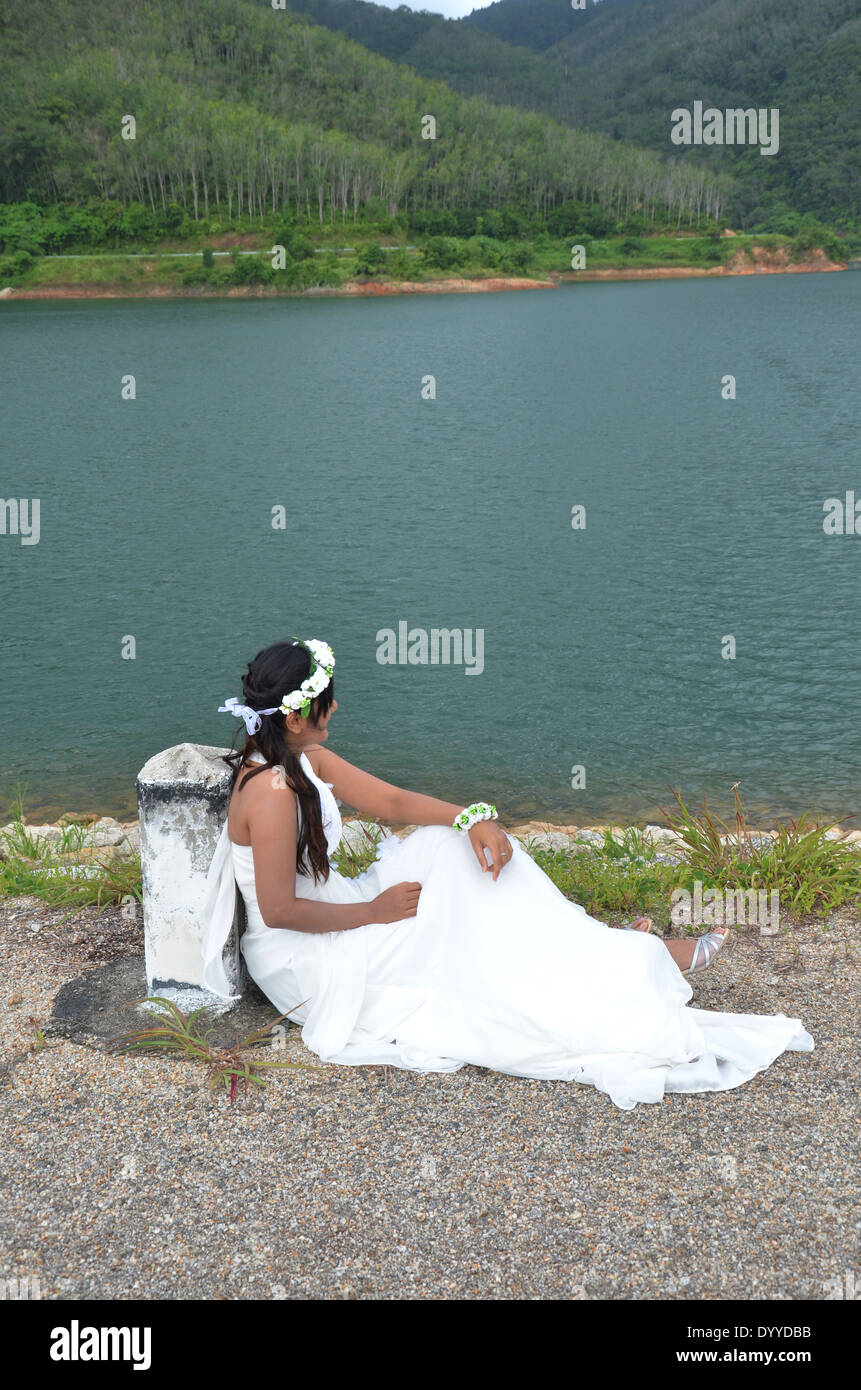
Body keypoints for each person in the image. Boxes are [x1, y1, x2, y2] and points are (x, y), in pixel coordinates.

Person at [200, 637, 813, 1111]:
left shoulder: (302, 755)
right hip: (309, 955)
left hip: (339, 911)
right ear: (298, 717)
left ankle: (599, 947)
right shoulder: (274, 792)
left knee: (448, 848)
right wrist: (374, 912)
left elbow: (389, 803)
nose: (337, 705)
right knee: (454, 936)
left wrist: (472, 817)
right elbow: (279, 911)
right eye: (325, 699)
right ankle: (624, 955)